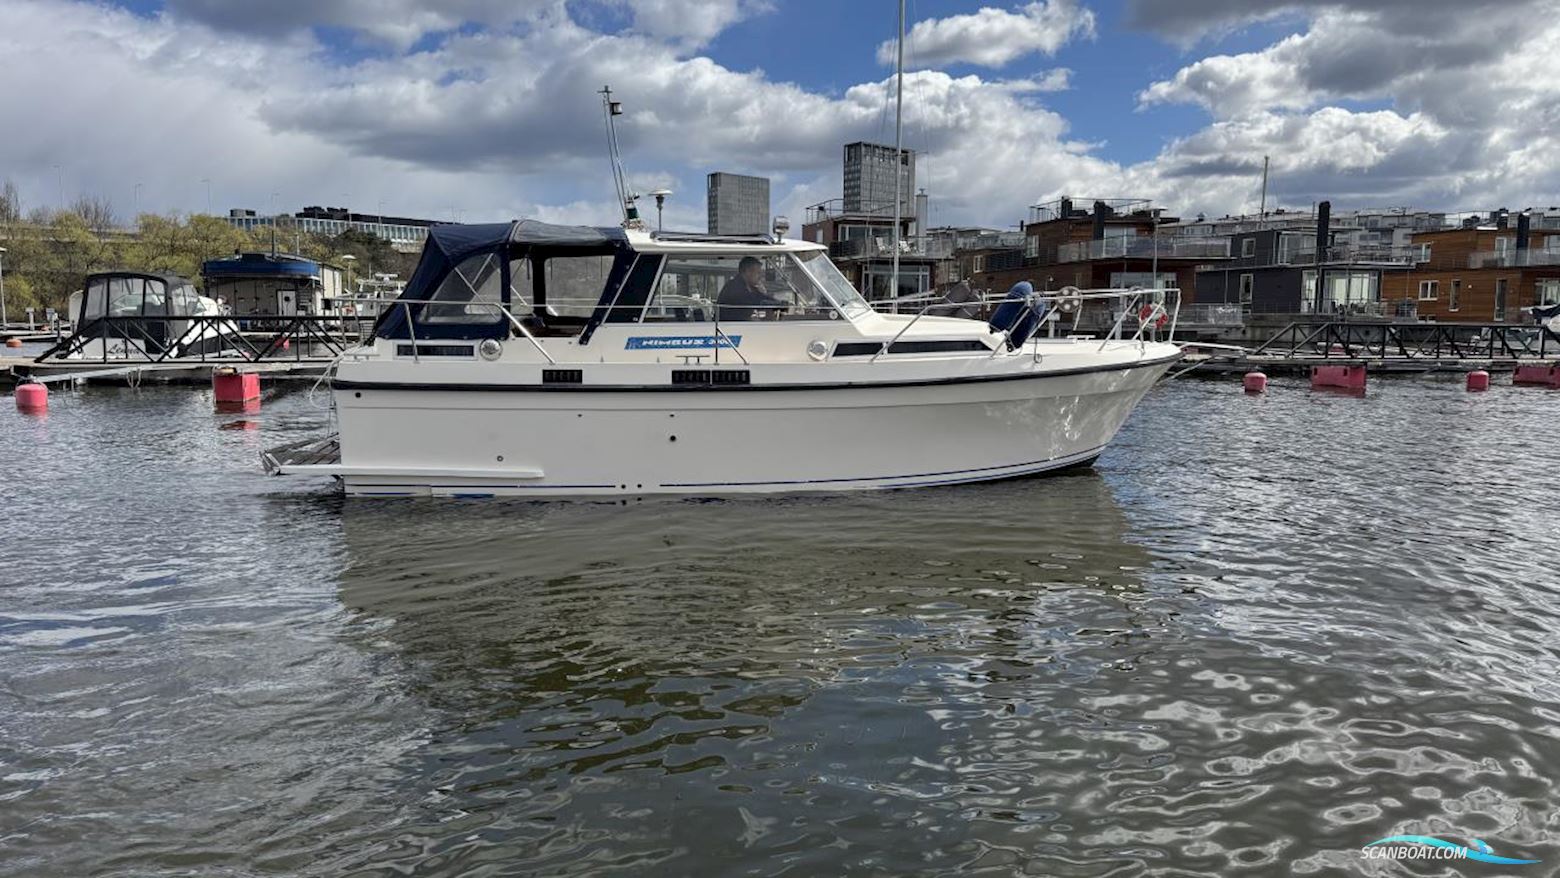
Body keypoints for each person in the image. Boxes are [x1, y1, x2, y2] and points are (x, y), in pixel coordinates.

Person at [717, 256, 786, 321]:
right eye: (758, 273)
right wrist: (779, 305)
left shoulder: (749, 287)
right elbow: (757, 302)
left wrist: (781, 303)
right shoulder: (735, 287)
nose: (760, 277)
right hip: (729, 327)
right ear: (748, 272)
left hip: (740, 325)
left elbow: (762, 297)